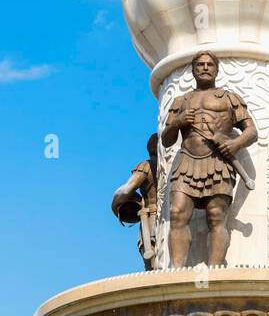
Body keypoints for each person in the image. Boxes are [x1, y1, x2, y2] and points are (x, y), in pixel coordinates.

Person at [162, 51, 257, 267]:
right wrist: (177, 122)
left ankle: (214, 270)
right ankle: (175, 271)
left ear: (216, 69)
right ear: (193, 70)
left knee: (216, 216)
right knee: (177, 213)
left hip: (218, 163)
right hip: (186, 161)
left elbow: (252, 132)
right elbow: (166, 141)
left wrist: (234, 144)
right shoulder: (181, 101)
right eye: (200, 64)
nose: (205, 67)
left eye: (209, 64)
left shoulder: (229, 98)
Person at [110, 134, 159, 269]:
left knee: (152, 269)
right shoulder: (178, 164)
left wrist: (115, 206)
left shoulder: (146, 166)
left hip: (151, 220)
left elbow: (126, 191)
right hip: (172, 218)